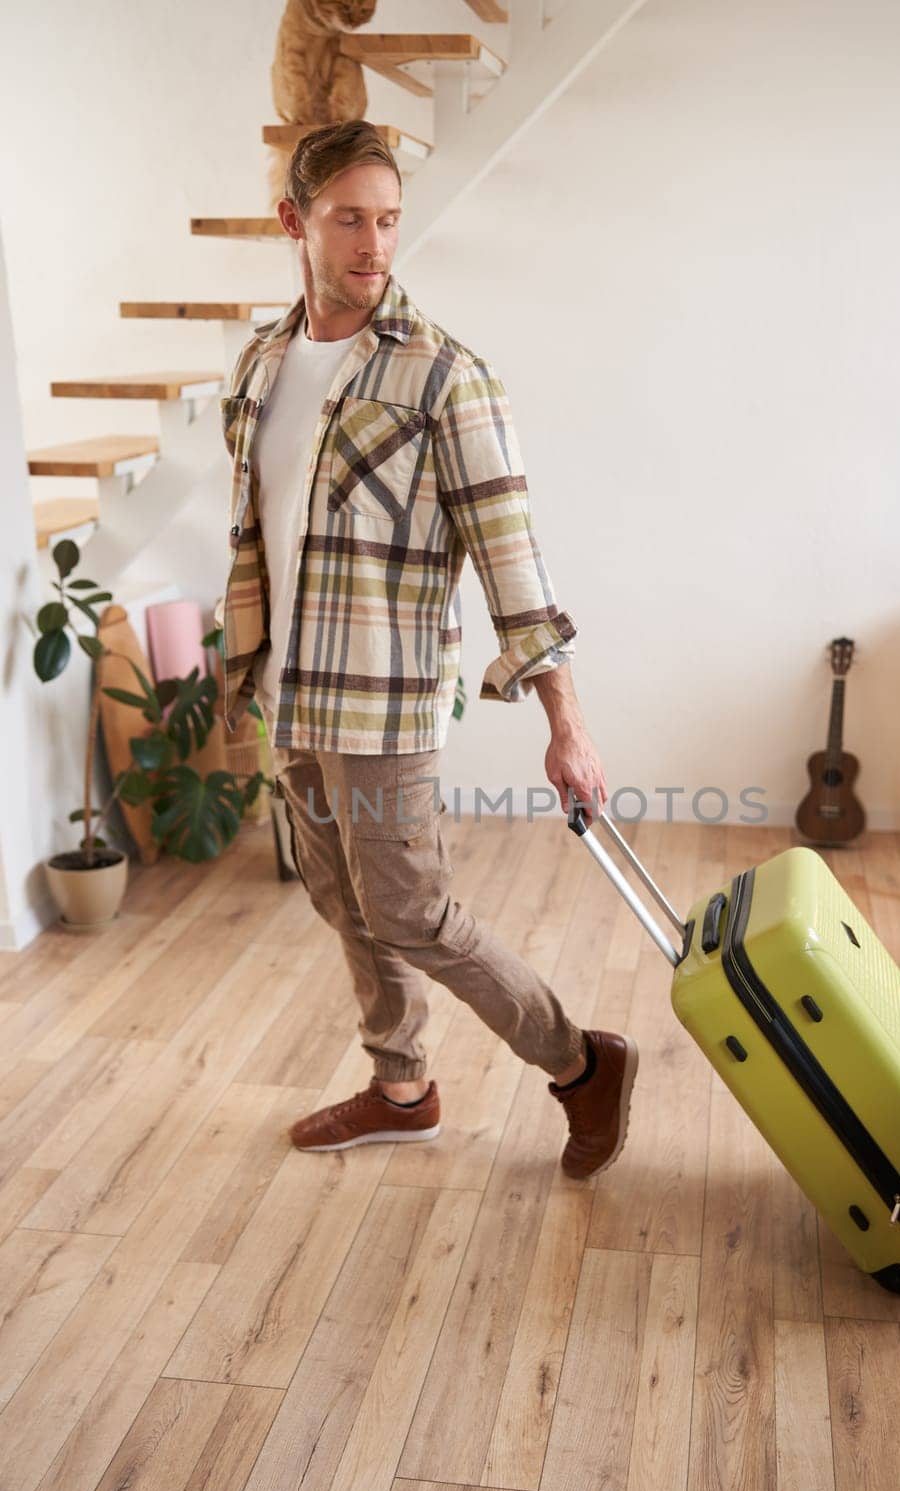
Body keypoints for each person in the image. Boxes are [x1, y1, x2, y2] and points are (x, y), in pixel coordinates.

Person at [215, 121, 638, 1180]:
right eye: (348, 218)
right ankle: (400, 1088)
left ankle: (580, 1063)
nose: (372, 243)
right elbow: (257, 534)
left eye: (388, 219)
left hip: (382, 700)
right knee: (337, 897)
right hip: (292, 694)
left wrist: (566, 725)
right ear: (293, 223)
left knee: (409, 907)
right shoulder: (262, 366)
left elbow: (512, 558)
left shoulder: (445, 375)